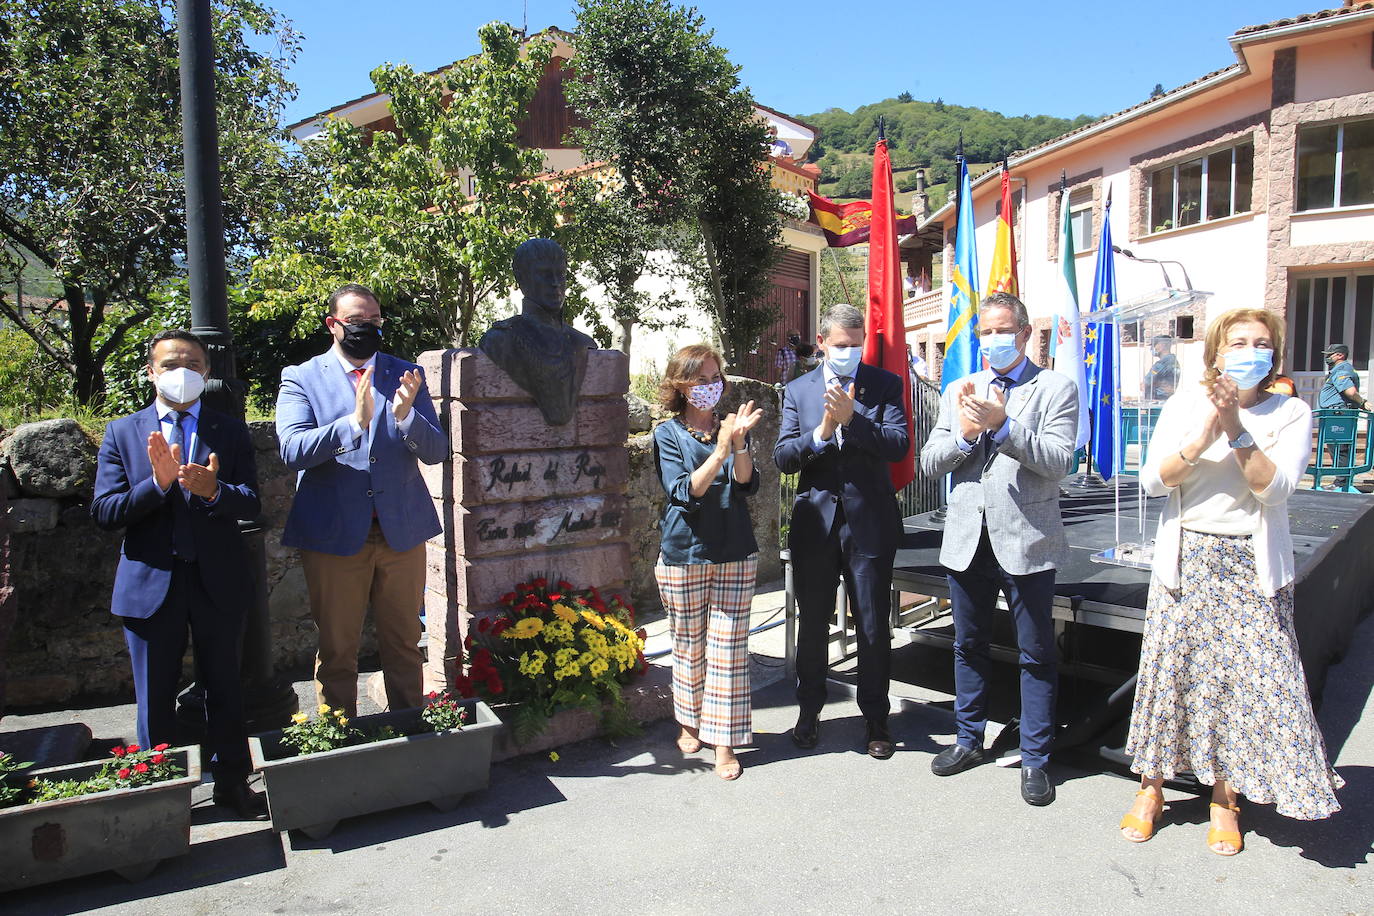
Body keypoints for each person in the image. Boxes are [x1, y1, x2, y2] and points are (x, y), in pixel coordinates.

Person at [1120, 307, 1342, 855]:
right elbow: (1153, 481)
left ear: (1275, 354)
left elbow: (1277, 490)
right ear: (1216, 352)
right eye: (1238, 342)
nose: (1250, 351)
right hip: (1187, 559)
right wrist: (1203, 434)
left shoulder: (1290, 411)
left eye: (1261, 343)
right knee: (1171, 676)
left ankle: (1225, 797)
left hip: (1251, 566)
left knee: (1246, 686)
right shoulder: (1183, 403)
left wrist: (1236, 428)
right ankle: (1151, 789)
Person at [91, 329, 265, 818]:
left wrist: (214, 491)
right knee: (154, 697)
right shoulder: (123, 433)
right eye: (170, 364)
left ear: (206, 372)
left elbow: (252, 502)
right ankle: (160, 799)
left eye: (192, 364)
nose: (181, 373)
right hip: (151, 585)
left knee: (225, 689)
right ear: (151, 372)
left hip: (217, 581)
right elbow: (105, 511)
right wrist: (157, 484)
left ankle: (232, 783)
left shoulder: (228, 430)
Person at [920, 292, 1078, 806]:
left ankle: (1035, 758)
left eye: (1003, 330)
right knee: (968, 645)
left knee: (1035, 653)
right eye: (985, 332)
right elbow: (930, 463)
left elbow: (1059, 461)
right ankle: (968, 739)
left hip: (1027, 539)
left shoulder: (1056, 388)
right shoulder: (959, 389)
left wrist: (1004, 426)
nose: (994, 340)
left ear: (1025, 334)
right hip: (968, 540)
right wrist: (966, 435)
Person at [276, 283, 448, 716]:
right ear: (333, 324)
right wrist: (353, 423)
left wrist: (406, 417)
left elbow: (436, 451)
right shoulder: (301, 377)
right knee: (338, 648)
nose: (366, 327)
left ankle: (410, 727)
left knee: (405, 642)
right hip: (334, 535)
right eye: (356, 320)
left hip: (400, 532)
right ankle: (339, 736)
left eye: (374, 320)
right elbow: (292, 450)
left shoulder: (406, 374)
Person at [774, 304, 910, 759]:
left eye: (856, 344)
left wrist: (854, 420)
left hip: (869, 523)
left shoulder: (885, 384)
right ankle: (809, 710)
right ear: (822, 342)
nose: (849, 351)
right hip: (816, 526)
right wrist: (822, 432)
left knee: (871, 624)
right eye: (841, 344)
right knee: (813, 623)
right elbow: (784, 457)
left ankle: (876, 718)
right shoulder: (799, 389)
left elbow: (898, 445)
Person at [652, 345, 764, 780]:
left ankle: (724, 742)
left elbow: (745, 484)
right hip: (684, 553)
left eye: (715, 377)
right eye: (700, 379)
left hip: (735, 549)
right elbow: (685, 491)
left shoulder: (732, 426)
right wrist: (719, 450)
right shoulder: (667, 434)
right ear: (680, 385)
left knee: (729, 651)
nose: (710, 386)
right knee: (689, 645)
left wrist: (738, 445)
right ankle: (688, 720)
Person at [1317, 343, 1370, 490]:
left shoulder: (1342, 369)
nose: (1327, 358)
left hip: (1339, 414)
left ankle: (1342, 483)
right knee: (1337, 447)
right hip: (1336, 413)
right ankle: (1341, 481)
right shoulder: (1338, 370)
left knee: (1339, 448)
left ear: (1340, 355)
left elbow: (1350, 391)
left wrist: (1363, 403)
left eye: (1330, 355)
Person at [1142, 335, 1179, 401]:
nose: (1152, 348)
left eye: (1154, 345)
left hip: (1158, 400)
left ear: (1162, 345)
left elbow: (1145, 384)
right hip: (1168, 399)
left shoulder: (1161, 364)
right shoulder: (1173, 360)